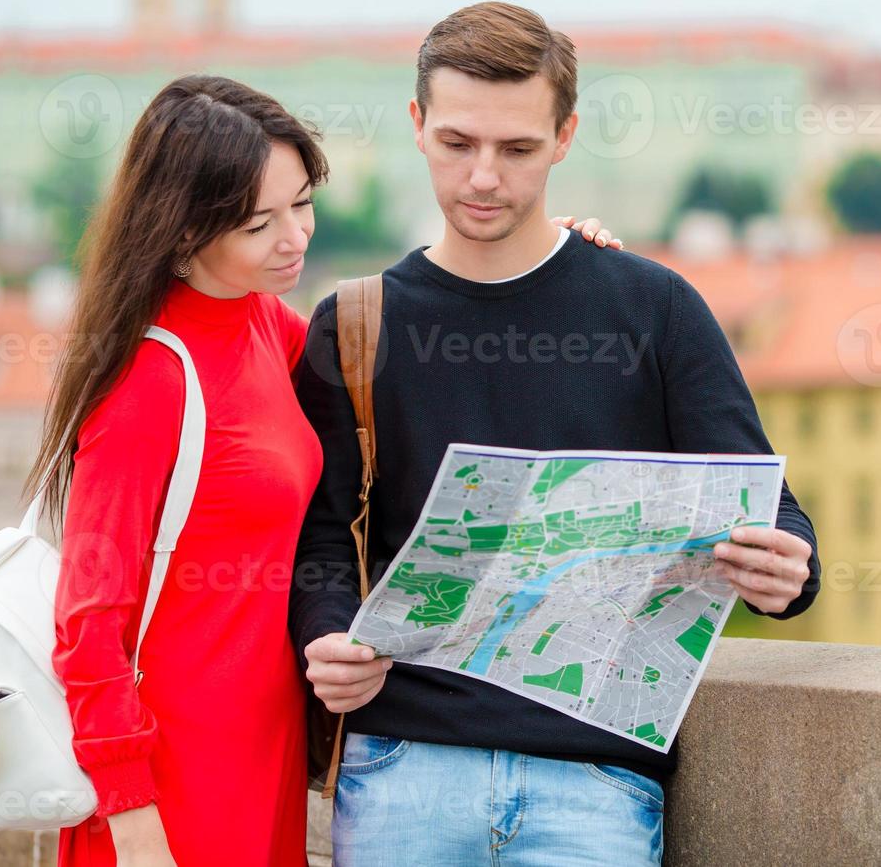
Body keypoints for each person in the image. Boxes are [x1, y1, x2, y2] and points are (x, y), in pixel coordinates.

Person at [30, 73, 620, 866]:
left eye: (302, 203)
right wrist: (132, 819)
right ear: (179, 230)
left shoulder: (271, 328)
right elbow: (88, 618)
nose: (294, 238)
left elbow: (410, 362)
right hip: (173, 774)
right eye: (257, 223)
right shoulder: (148, 377)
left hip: (268, 744)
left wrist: (552, 260)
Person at [289, 1, 821, 867]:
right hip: (401, 770)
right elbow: (320, 532)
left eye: (518, 149)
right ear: (417, 126)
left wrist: (788, 567)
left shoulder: (653, 308)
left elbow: (772, 508)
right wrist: (326, 632)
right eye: (458, 143)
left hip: (594, 779)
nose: (484, 178)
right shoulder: (353, 326)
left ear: (566, 136)